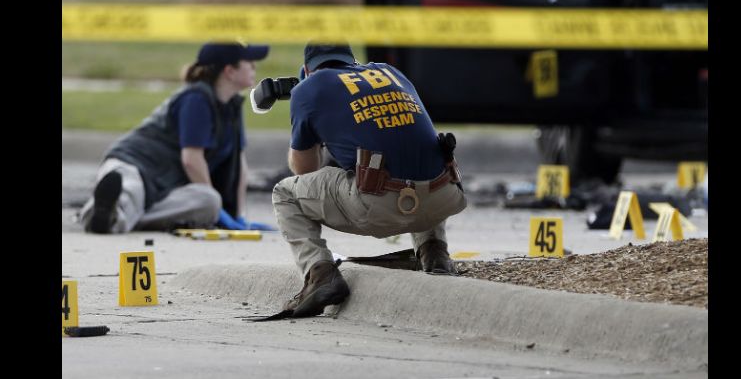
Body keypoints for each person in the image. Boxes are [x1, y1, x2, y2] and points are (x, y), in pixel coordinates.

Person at [271, 43, 467, 318]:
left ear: (306, 70)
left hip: (379, 204)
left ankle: (320, 274)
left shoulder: (308, 89)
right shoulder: (390, 73)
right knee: (411, 152)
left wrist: (318, 132)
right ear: (352, 61)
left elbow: (305, 171)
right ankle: (435, 254)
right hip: (443, 195)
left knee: (284, 193)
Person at [77, 42, 271, 234]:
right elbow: (191, 160)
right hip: (134, 165)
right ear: (229, 71)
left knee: (208, 201)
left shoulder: (232, 106)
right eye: (250, 63)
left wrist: (238, 216)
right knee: (131, 193)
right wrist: (221, 212)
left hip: (166, 188)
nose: (255, 68)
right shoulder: (196, 98)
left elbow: (239, 166)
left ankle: (120, 217)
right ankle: (103, 217)